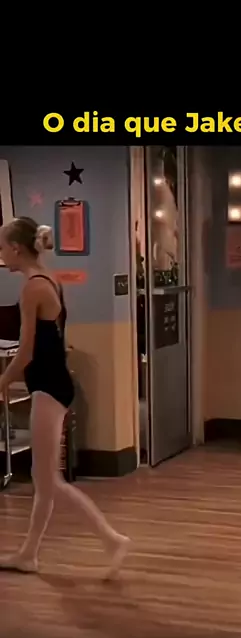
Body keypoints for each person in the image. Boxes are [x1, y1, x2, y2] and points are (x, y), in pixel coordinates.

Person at [0, 217, 130, 577]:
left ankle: (112, 539)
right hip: (53, 383)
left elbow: (26, 352)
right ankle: (29, 554)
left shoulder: (33, 288)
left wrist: (2, 382)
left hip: (48, 387)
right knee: (44, 481)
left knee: (50, 481)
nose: (1, 253)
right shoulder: (48, 278)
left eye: (2, 246)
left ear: (16, 248)